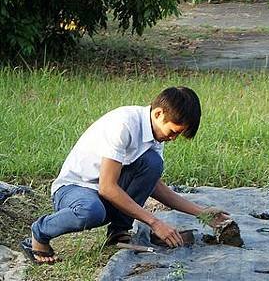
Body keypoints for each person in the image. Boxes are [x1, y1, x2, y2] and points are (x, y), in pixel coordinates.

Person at [22, 86, 230, 264]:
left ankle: (119, 231)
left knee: (152, 163)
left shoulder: (155, 135)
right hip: (75, 189)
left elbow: (153, 185)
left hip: (103, 190)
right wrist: (155, 223)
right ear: (158, 114)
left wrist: (202, 213)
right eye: (174, 132)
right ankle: (39, 233)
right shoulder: (124, 125)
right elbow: (107, 187)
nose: (173, 138)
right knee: (92, 211)